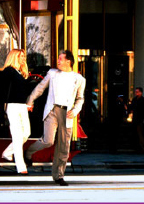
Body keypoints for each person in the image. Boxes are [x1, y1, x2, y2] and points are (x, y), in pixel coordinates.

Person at [24, 50, 86, 186]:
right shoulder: (52, 73)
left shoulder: (79, 79)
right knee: (48, 141)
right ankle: (28, 153)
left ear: (68, 61)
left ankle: (58, 176)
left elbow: (80, 98)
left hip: (67, 113)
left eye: (60, 58)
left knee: (63, 147)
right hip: (52, 110)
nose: (58, 61)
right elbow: (40, 88)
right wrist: (30, 100)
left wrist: (75, 111)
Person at [0, 49, 33, 175]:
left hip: (21, 106)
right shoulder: (8, 71)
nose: (23, 59)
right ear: (14, 57)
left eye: (23, 56)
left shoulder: (19, 72)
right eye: (20, 56)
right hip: (13, 106)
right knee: (17, 135)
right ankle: (21, 167)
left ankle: (8, 152)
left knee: (26, 133)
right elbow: (0, 90)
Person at [128, 87, 144, 153]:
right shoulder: (134, 99)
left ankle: (142, 147)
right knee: (136, 133)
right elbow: (131, 107)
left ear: (141, 92)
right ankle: (137, 147)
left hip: (140, 119)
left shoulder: (143, 100)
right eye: (135, 92)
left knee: (140, 133)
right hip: (135, 118)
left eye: (137, 92)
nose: (136, 93)